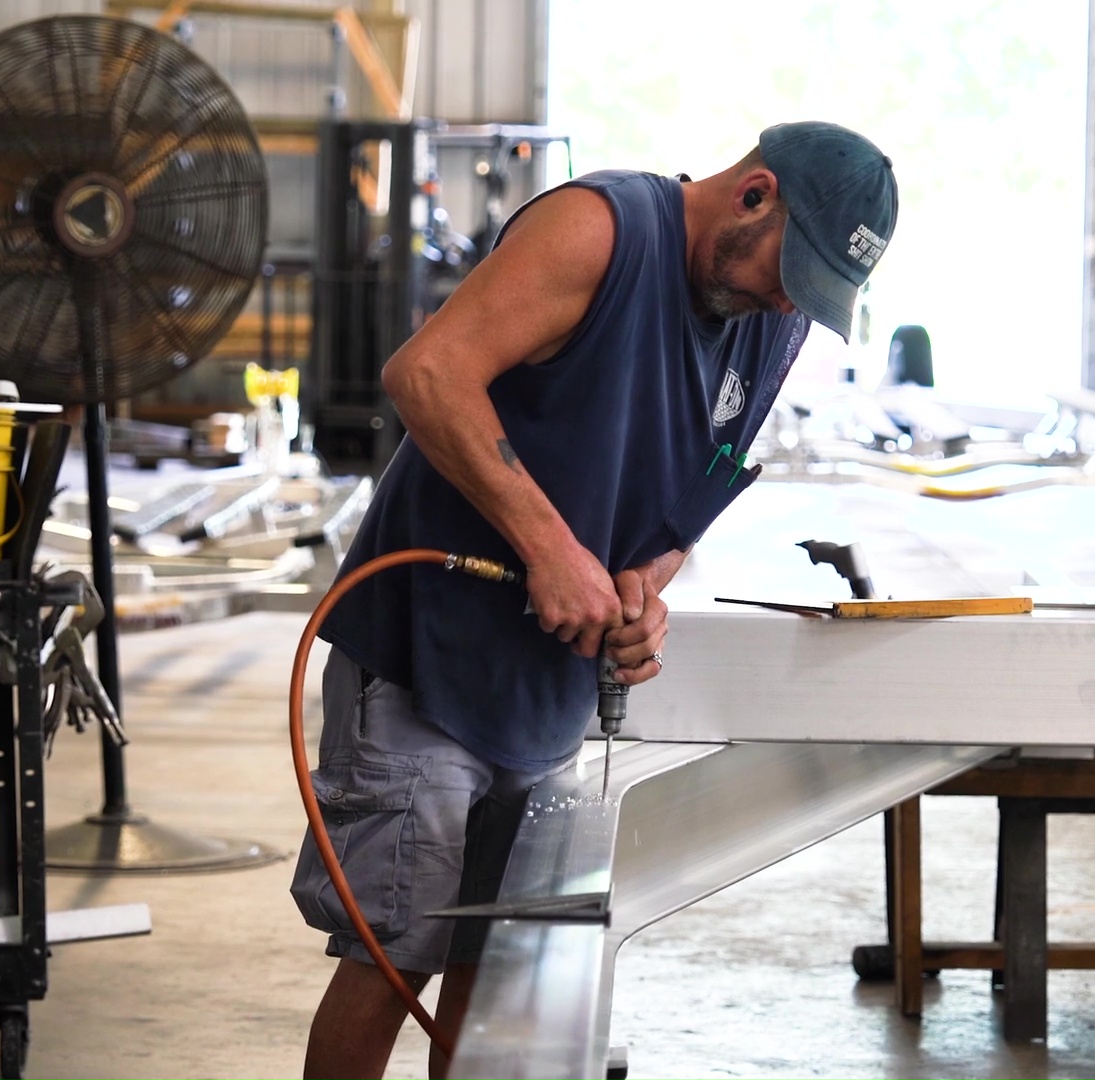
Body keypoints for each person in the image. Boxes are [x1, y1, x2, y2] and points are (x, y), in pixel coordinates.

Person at [294, 121, 899, 1080]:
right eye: (793, 270)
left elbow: (684, 499)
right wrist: (549, 548)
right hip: (429, 654)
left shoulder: (772, 321)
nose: (790, 300)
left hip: (547, 689)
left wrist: (643, 589)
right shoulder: (602, 232)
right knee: (392, 955)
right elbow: (427, 373)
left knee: (494, 974)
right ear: (754, 196)